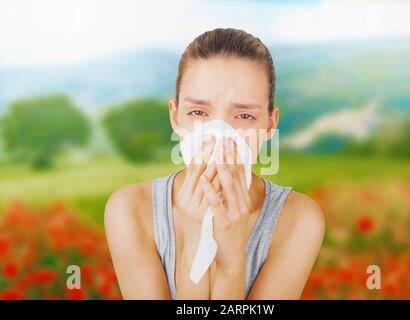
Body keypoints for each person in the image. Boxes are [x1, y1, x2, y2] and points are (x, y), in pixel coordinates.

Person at [104, 28, 325, 300]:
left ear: (270, 124)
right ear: (175, 118)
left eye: (244, 115)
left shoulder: (298, 220)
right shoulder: (130, 210)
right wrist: (195, 244)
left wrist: (231, 265)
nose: (218, 135)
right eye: (198, 112)